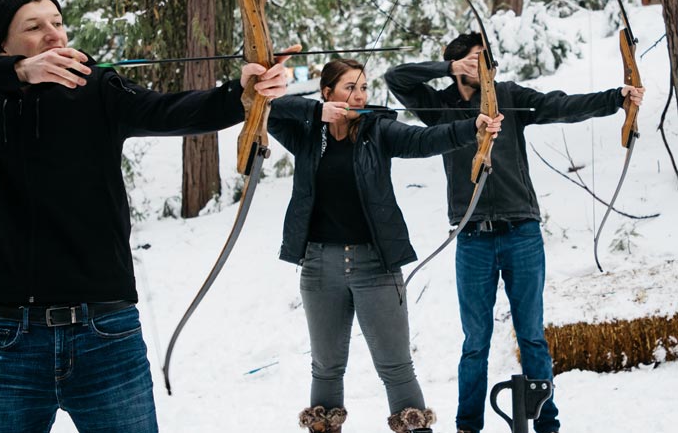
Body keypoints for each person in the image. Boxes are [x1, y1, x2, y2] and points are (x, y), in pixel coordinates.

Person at [0, 0, 294, 433]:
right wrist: (19, 75)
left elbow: (173, 111)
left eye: (57, 22)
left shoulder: (98, 89)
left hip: (106, 333)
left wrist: (242, 94)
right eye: (33, 27)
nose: (53, 35)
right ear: (4, 47)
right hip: (14, 336)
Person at [384, 32, 646, 433]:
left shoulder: (507, 94)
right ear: (457, 64)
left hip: (521, 231)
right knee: (475, 343)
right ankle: (468, 426)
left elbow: (559, 105)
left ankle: (546, 426)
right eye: (474, 60)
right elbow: (396, 77)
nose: (484, 67)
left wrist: (616, 98)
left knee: (532, 337)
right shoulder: (441, 105)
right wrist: (450, 69)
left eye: (487, 60)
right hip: (472, 235)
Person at [267, 58, 503, 433]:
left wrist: (471, 128)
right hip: (319, 266)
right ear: (327, 93)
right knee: (326, 367)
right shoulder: (308, 134)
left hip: (375, 265)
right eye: (349, 88)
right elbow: (269, 110)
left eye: (363, 88)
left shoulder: (378, 129)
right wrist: (316, 112)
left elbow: (424, 140)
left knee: (396, 366)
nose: (359, 96)